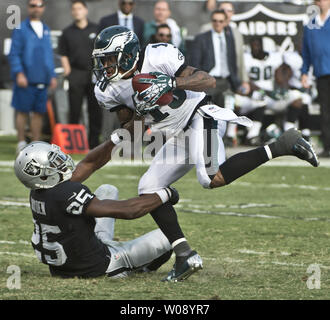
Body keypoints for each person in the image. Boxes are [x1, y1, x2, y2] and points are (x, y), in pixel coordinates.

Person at [92, 25, 319, 280]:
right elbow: (130, 125)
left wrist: (171, 83)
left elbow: (208, 81)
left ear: (128, 54)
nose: (106, 66)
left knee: (211, 177)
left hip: (201, 115)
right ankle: (184, 255)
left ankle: (283, 145)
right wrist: (139, 114)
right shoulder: (108, 89)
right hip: (178, 135)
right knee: (149, 187)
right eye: (103, 60)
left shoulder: (158, 55)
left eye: (110, 59)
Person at [14, 136, 180, 279]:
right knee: (169, 235)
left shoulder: (38, 192)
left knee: (108, 189)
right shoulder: (65, 192)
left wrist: (117, 139)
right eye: (53, 161)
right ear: (41, 174)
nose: (60, 161)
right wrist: (165, 193)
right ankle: (141, 269)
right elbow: (129, 210)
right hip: (99, 266)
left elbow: (90, 163)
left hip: (65, 264)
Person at [8, 0, 57, 154]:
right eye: (33, 5)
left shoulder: (46, 29)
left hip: (42, 78)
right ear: (28, 8)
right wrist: (19, 73)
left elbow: (49, 55)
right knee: (22, 111)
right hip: (25, 78)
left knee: (38, 112)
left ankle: (36, 144)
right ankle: (21, 142)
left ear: (43, 8)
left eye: (39, 5)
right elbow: (14, 53)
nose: (36, 8)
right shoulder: (20, 28)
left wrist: (52, 75)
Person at [59, 0, 102, 149]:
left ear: (85, 10)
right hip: (76, 73)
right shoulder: (67, 32)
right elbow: (63, 54)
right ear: (72, 12)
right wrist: (68, 71)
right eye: (74, 9)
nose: (77, 11)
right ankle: (73, 142)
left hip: (94, 74)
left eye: (79, 8)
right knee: (75, 110)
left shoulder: (96, 29)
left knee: (95, 110)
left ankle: (94, 142)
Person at [190, 9, 242, 108]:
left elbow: (232, 61)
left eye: (220, 21)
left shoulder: (230, 38)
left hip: (226, 82)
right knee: (208, 113)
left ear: (226, 22)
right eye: (215, 20)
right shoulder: (201, 38)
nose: (217, 23)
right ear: (211, 21)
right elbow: (195, 63)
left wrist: (236, 82)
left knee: (229, 112)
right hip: (208, 81)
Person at [301, 0, 330, 158]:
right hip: (321, 73)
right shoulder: (310, 25)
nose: (321, 2)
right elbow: (306, 53)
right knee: (325, 111)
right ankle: (327, 146)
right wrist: (304, 72)